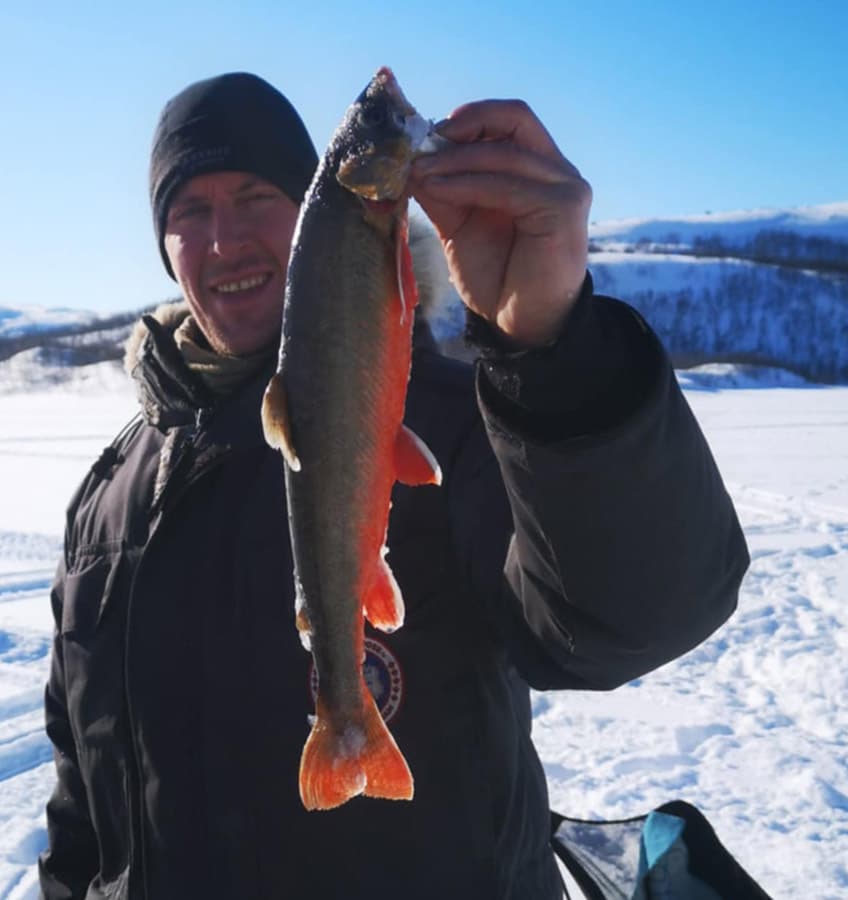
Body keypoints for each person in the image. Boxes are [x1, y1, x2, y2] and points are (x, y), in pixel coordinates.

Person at [37, 72, 748, 900]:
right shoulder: (111, 491)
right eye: (189, 212)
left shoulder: (460, 417)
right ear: (164, 243)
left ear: (310, 215)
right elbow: (83, 798)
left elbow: (625, 618)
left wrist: (554, 351)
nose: (222, 239)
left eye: (254, 194)